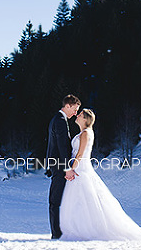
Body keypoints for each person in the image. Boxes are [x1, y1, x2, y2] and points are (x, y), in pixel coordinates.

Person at [59, 108, 141, 241]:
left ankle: (89, 230)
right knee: (80, 201)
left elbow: (80, 154)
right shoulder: (82, 133)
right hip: (79, 169)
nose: (77, 116)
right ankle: (81, 229)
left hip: (81, 169)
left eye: (80, 115)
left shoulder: (86, 133)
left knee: (85, 200)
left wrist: (71, 169)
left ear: (85, 119)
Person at [46, 94, 81, 239]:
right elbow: (61, 146)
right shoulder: (60, 121)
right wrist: (67, 168)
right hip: (60, 165)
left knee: (58, 199)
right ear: (67, 106)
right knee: (55, 200)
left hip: (56, 164)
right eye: (75, 109)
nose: (76, 113)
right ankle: (56, 234)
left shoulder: (57, 119)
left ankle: (59, 232)